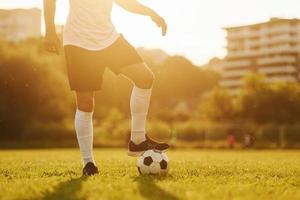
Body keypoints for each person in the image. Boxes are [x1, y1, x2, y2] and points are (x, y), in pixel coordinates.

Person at [43, 0, 170, 176]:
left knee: (145, 77)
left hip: (109, 39)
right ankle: (88, 163)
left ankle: (138, 139)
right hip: (79, 42)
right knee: (86, 104)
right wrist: (49, 30)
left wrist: (151, 13)